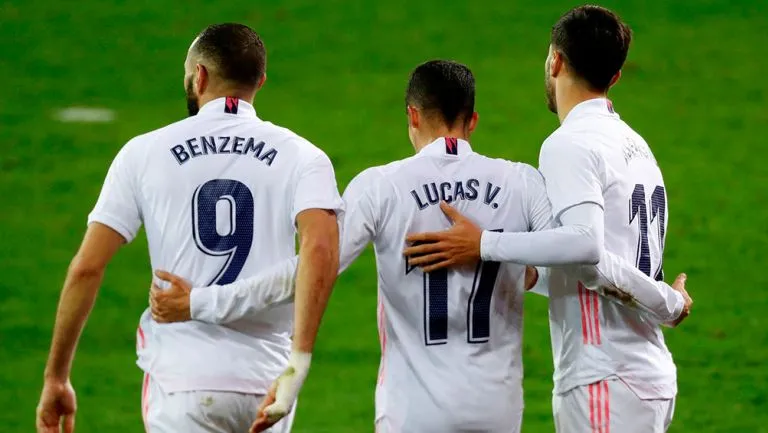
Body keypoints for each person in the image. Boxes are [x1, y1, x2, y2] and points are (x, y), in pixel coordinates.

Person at [35, 23, 342, 433]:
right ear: (260, 82)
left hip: (181, 384)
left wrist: (56, 376)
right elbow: (321, 252)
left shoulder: (143, 153)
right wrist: (298, 360)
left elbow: (87, 268)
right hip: (266, 388)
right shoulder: (305, 156)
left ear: (199, 76)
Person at [403, 6, 693, 433]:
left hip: (605, 375)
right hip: (642, 373)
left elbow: (586, 247)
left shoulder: (568, 145)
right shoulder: (636, 146)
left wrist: (484, 244)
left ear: (555, 60)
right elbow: (594, 259)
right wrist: (529, 274)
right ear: (614, 77)